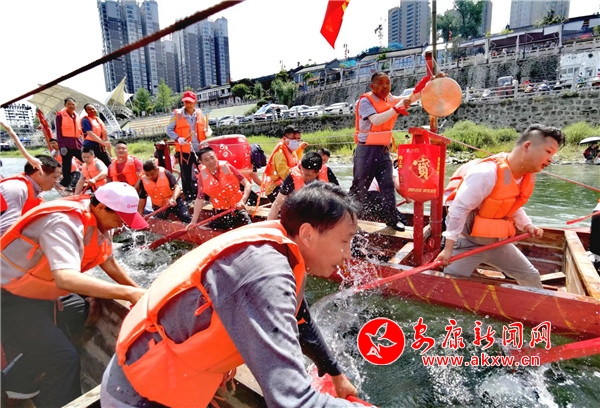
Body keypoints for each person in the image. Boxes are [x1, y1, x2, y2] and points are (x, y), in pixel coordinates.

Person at [100, 182, 369, 407]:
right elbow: (292, 401)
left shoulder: (282, 247)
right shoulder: (265, 272)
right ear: (307, 234)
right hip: (138, 395)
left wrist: (334, 373)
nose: (348, 254)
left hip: (164, 378)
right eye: (344, 241)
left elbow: (300, 319)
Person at [1, 182, 148, 407]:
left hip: (37, 293)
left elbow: (108, 262)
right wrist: (128, 294)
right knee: (64, 359)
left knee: (82, 309)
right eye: (120, 218)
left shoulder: (99, 221)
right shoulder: (62, 223)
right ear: (101, 208)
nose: (123, 224)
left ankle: (17, 381)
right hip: (9, 295)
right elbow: (65, 278)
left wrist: (141, 292)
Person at [435, 124, 566, 288]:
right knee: (448, 284)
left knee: (531, 276)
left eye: (553, 154)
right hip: (466, 243)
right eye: (548, 151)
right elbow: (459, 209)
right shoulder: (486, 173)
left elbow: (510, 204)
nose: (551, 159)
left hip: (496, 243)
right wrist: (448, 249)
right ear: (527, 146)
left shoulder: (523, 176)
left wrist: (527, 225)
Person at [350, 71, 439, 232]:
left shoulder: (389, 99)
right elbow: (377, 120)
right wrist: (397, 108)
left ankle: (391, 219)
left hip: (383, 150)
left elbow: (411, 98)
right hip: (366, 151)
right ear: (372, 86)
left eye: (388, 83)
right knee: (359, 188)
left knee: (388, 185)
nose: (385, 86)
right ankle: (348, 220)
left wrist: (430, 83)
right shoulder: (365, 101)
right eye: (381, 83)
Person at [189, 146, 252, 230]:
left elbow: (247, 184)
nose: (211, 162)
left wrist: (242, 201)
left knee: (248, 225)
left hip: (238, 207)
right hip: (220, 211)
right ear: (201, 162)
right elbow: (200, 198)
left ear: (216, 156)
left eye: (212, 158)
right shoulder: (202, 177)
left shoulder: (227, 167)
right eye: (206, 160)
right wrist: (193, 221)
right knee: (214, 228)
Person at [166, 91, 212, 201]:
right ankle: (189, 197)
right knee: (185, 174)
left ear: (195, 102)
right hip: (184, 149)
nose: (188, 104)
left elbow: (206, 127)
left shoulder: (200, 113)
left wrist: (208, 131)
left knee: (204, 171)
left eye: (190, 102)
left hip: (200, 149)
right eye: (185, 101)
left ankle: (207, 194)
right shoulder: (177, 114)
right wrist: (178, 138)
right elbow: (169, 129)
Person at [0, 155, 62, 236]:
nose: (56, 181)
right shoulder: (17, 188)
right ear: (39, 173)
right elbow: (4, 230)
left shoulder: (37, 192)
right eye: (55, 177)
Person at [267, 151, 327, 220]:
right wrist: (269, 223)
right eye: (302, 172)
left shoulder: (327, 173)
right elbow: (277, 204)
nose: (304, 176)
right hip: (299, 212)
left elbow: (337, 199)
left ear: (318, 172)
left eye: (308, 175)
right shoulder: (293, 176)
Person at [261, 125, 307, 202]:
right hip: (274, 189)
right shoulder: (279, 154)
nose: (296, 141)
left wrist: (301, 149)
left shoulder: (291, 150)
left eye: (298, 139)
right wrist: (303, 176)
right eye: (293, 139)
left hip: (285, 184)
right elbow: (286, 175)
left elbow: (294, 162)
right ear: (285, 139)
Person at [55, 97, 84, 189]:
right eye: (69, 104)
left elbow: (80, 132)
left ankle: (90, 176)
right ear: (65, 105)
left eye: (73, 104)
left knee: (86, 160)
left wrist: (82, 143)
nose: (71, 106)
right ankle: (66, 183)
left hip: (77, 144)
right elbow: (58, 132)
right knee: (66, 165)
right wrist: (62, 146)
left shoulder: (77, 116)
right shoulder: (60, 116)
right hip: (66, 145)